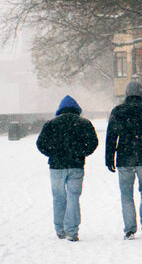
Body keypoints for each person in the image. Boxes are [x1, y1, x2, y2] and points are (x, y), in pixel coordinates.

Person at [105, 78, 142, 239]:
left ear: (126, 94)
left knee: (126, 194)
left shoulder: (117, 111)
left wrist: (109, 158)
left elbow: (111, 136)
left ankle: (130, 228)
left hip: (124, 159)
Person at [35, 95, 99, 241]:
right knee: (73, 197)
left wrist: (52, 153)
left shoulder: (51, 124)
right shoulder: (84, 123)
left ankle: (60, 228)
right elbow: (93, 142)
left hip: (56, 166)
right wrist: (82, 153)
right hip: (76, 165)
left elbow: (40, 143)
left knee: (58, 197)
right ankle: (72, 230)